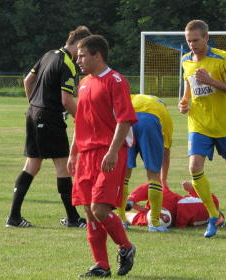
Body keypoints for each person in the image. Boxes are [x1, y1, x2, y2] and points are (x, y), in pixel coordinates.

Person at [6, 26, 91, 228]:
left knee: (32, 166)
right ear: (80, 44)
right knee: (63, 166)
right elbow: (67, 100)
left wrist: (34, 104)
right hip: (49, 117)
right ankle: (72, 218)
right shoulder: (67, 64)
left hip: (33, 113)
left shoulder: (49, 54)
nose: (82, 56)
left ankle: (14, 217)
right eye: (84, 49)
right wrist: (84, 121)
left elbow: (28, 80)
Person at [68, 35, 138, 277]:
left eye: (82, 55)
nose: (78, 60)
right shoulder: (84, 83)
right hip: (85, 155)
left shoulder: (116, 80)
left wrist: (112, 151)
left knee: (99, 209)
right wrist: (73, 152)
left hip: (109, 153)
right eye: (77, 56)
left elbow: (125, 119)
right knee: (88, 211)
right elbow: (81, 122)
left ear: (97, 55)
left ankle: (126, 247)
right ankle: (102, 265)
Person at [178, 20, 226, 238]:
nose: (191, 44)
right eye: (188, 41)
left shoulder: (222, 58)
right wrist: (184, 102)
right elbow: (189, 87)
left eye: (195, 40)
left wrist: (210, 81)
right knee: (194, 168)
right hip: (199, 124)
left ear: (206, 38)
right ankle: (214, 216)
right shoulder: (185, 60)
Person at [117, 94, 173, 233]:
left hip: (128, 120)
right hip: (151, 121)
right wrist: (163, 179)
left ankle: (121, 219)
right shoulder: (164, 111)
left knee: (124, 174)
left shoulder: (134, 96)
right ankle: (154, 223)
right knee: (154, 175)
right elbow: (166, 153)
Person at [125, 181, 221, 228]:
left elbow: (186, 185)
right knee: (136, 218)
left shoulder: (214, 202)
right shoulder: (206, 222)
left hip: (172, 202)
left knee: (153, 185)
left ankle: (131, 199)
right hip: (170, 221)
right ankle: (124, 214)